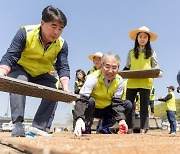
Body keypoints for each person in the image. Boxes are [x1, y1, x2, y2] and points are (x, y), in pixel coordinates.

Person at [0, 5, 70, 137]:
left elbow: (63, 66)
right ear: (42, 23)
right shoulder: (25, 32)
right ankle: (18, 124)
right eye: (53, 26)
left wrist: (65, 89)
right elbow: (11, 55)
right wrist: (2, 74)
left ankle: (38, 127)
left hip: (42, 74)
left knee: (55, 91)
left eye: (61, 29)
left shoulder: (62, 44)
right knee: (18, 83)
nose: (57, 32)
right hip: (21, 69)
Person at [73, 52, 132, 136]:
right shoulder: (92, 78)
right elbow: (82, 99)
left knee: (127, 104)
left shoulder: (120, 81)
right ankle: (84, 126)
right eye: (107, 67)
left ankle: (104, 127)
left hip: (107, 109)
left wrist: (122, 120)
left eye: (114, 67)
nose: (110, 71)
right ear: (102, 65)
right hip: (93, 109)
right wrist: (79, 119)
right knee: (89, 101)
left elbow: (117, 103)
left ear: (118, 68)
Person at [123, 26, 162, 134]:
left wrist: (159, 73)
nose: (142, 39)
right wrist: (120, 74)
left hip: (145, 82)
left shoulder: (152, 52)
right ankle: (129, 127)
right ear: (137, 38)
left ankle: (144, 128)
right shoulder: (131, 52)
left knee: (144, 107)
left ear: (148, 39)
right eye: (140, 36)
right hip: (132, 82)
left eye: (145, 37)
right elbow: (127, 67)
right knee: (129, 106)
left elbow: (156, 66)